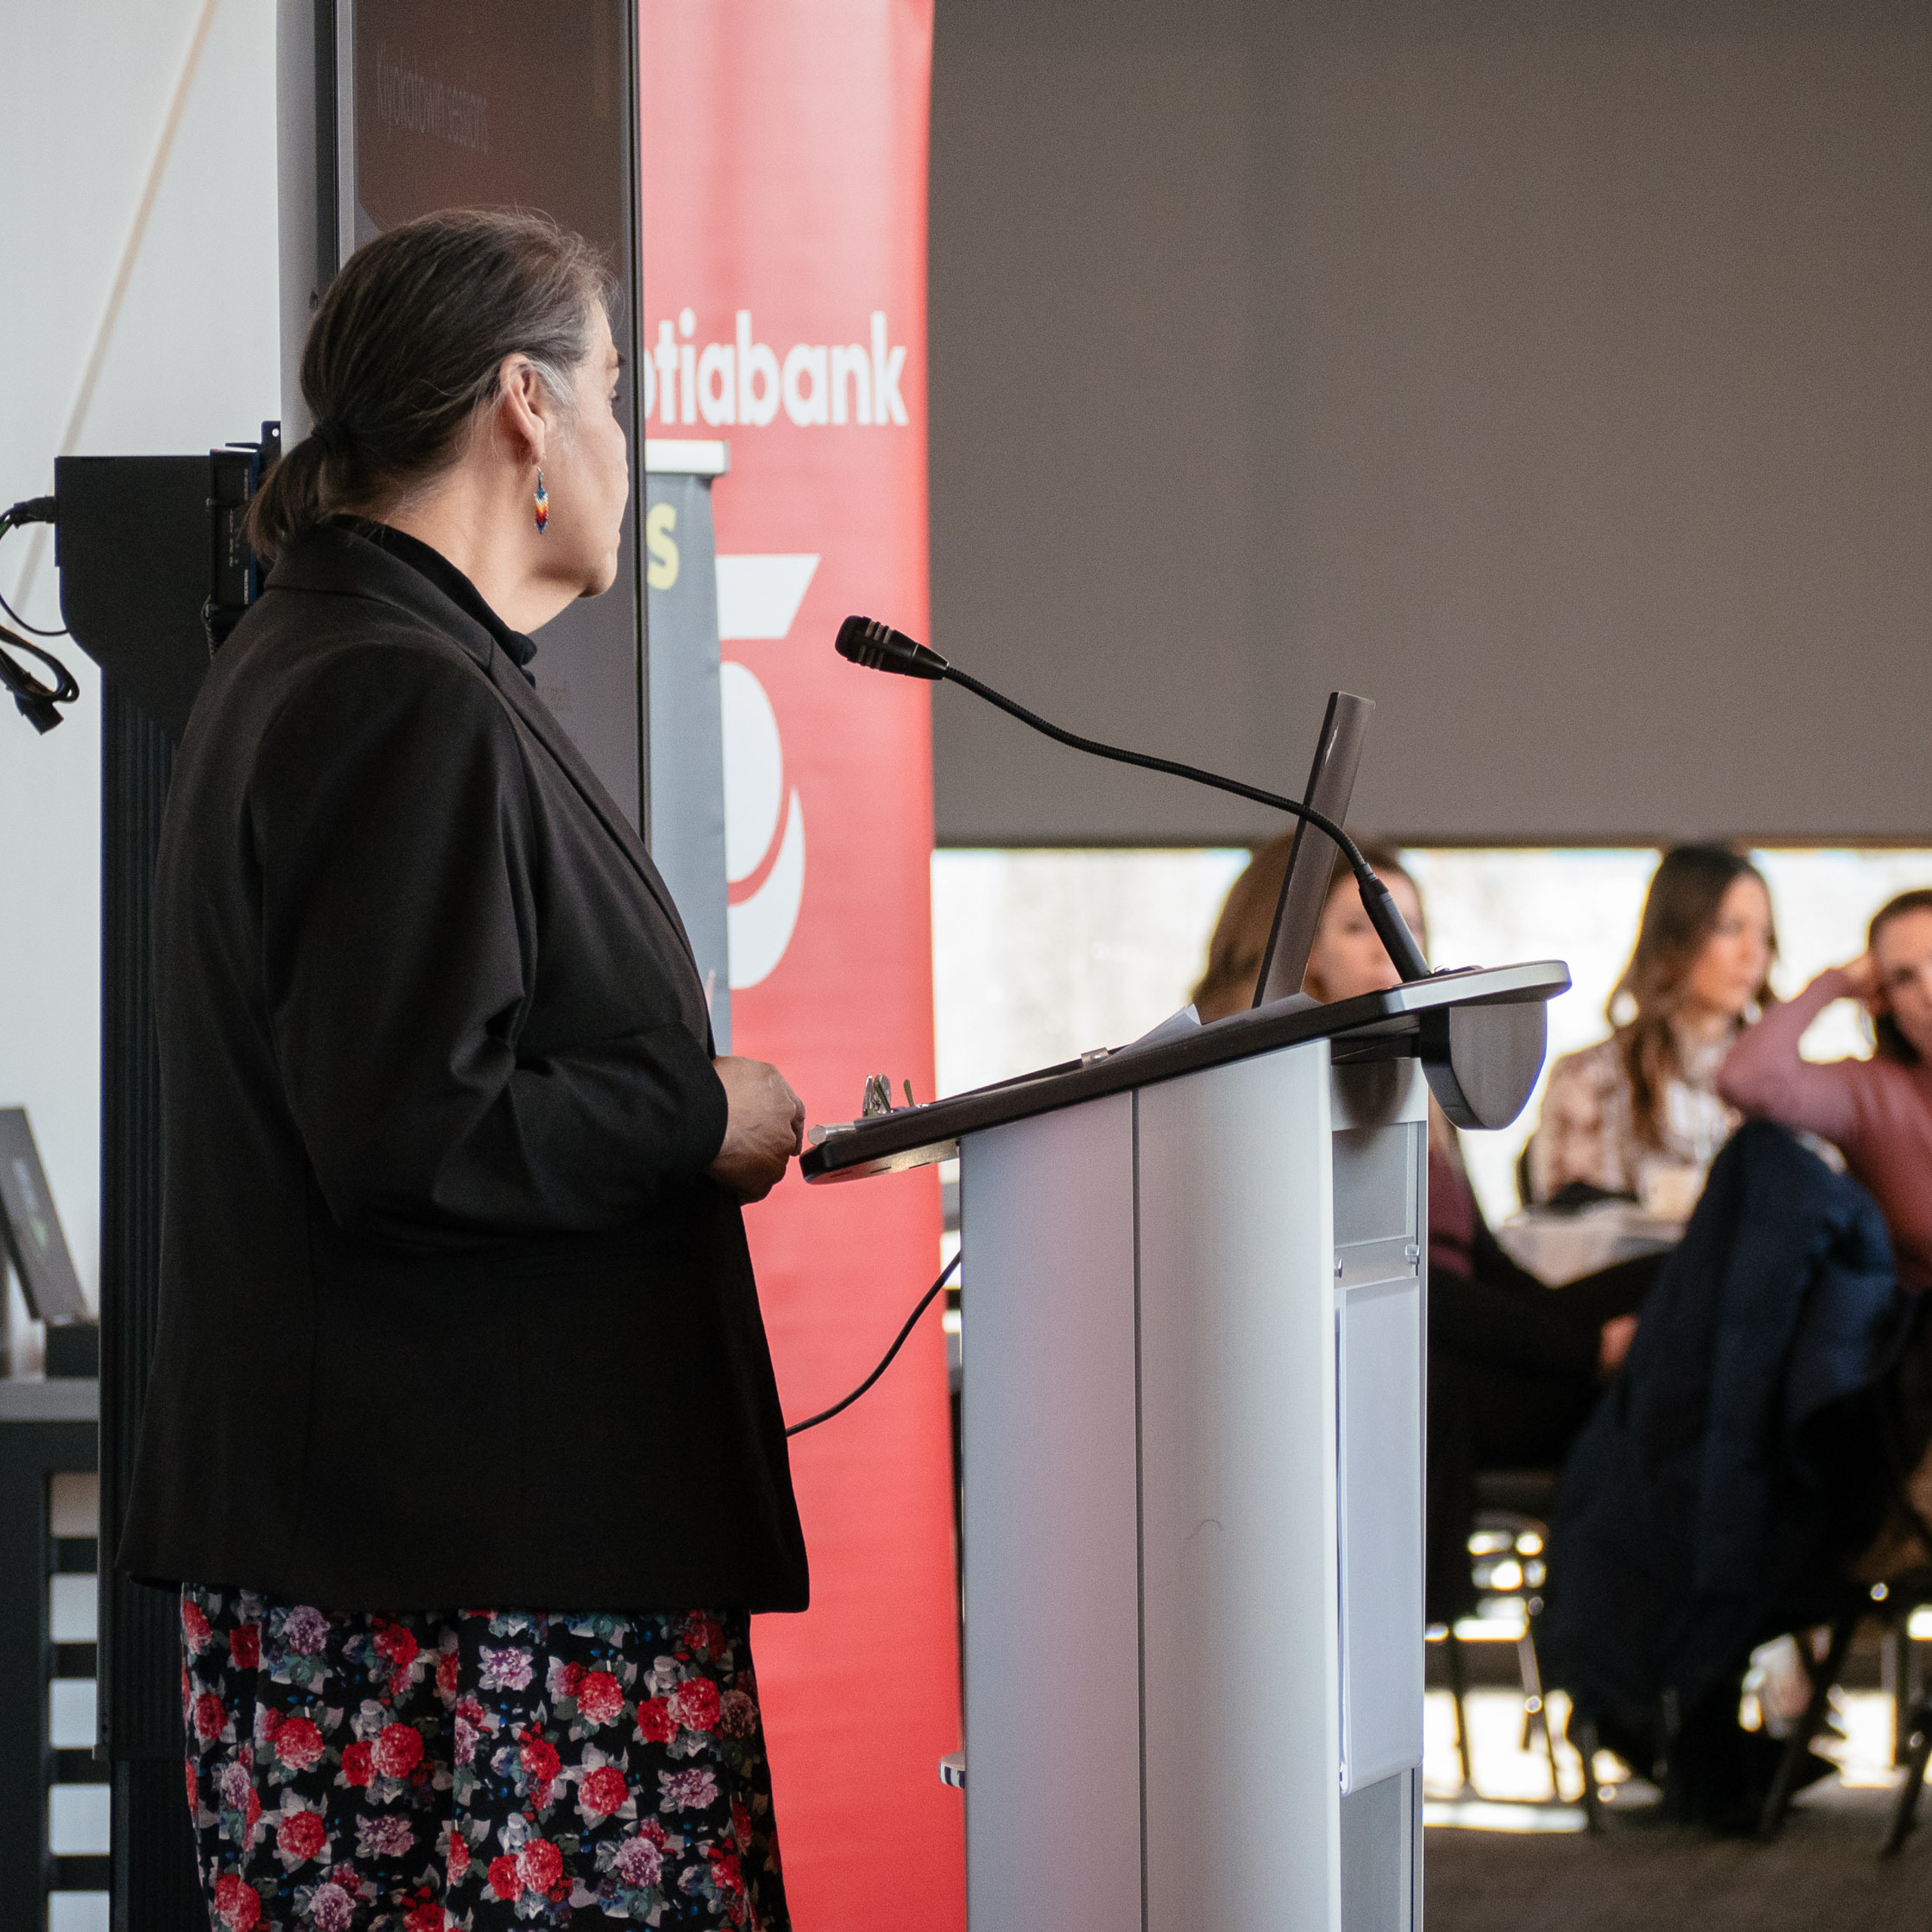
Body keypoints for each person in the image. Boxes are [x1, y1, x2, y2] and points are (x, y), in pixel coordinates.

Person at [116, 211, 807, 1928]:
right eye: (616, 388)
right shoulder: (390, 693)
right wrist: (696, 1109)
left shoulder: (343, 661)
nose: (628, 439)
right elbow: (415, 1129)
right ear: (522, 407)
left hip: (430, 1567)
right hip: (457, 1607)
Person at [1193, 835, 1654, 1615]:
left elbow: (1480, 1258)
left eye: (1407, 923)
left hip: (1468, 1341)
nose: (1392, 944)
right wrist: (1580, 1349)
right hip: (1397, 1356)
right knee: (1447, 1344)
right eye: (1360, 925)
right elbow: (1388, 1273)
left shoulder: (1412, 1072)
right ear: (1290, 940)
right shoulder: (1268, 1081)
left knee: (1664, 1280)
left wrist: (1582, 1327)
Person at [1527, 844, 1776, 1217]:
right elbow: (1572, 1229)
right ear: (1674, 937)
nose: (1753, 954)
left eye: (1765, 934)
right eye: (1730, 928)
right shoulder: (1588, 1079)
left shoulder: (1778, 1086)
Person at [1718, 887, 1932, 1291]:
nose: (1930, 993)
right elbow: (1746, 1080)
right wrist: (1837, 982)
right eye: (1904, 978)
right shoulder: (1869, 1095)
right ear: (1883, 999)